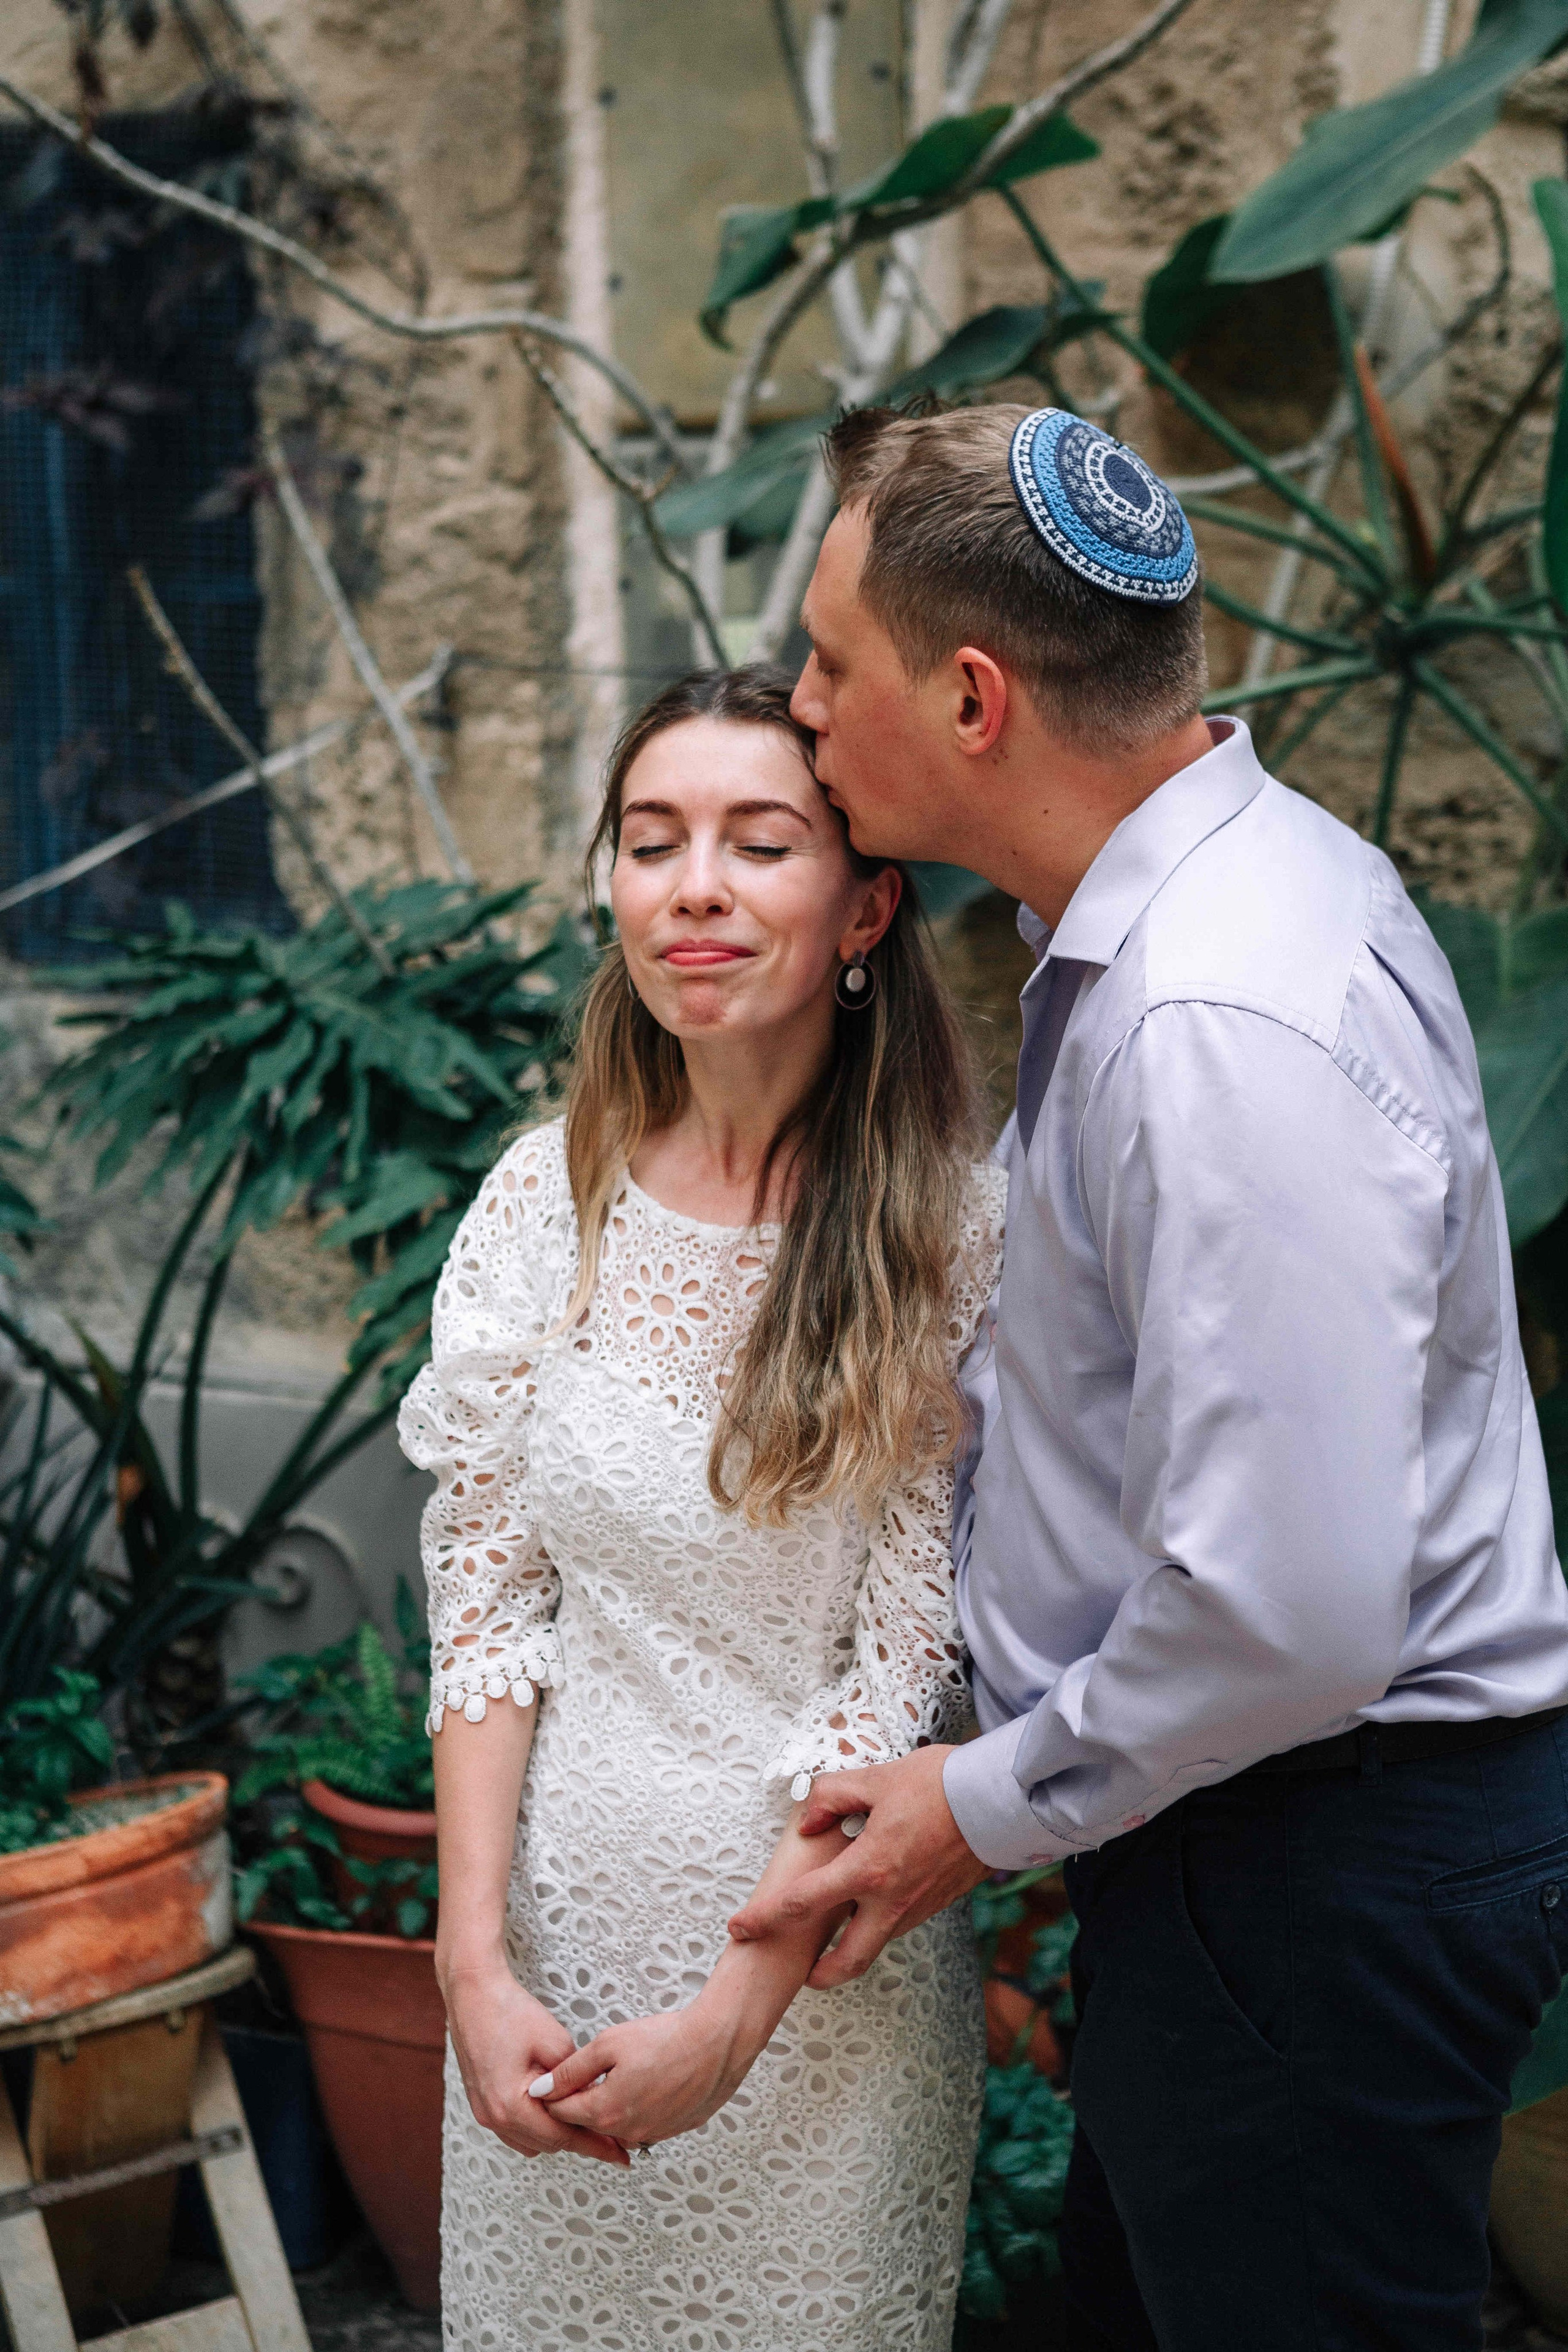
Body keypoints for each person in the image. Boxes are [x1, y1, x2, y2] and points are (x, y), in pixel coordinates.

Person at [725, 401, 1568, 2350]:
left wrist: (985, 1805)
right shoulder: (1198, 908)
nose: (799, 704)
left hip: (1317, 1851)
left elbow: (1292, 1611)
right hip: (1250, 1836)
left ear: (970, 698)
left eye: (831, 665)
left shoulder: (1214, 1017)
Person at [397, 663, 1005, 2352]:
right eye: (654, 843)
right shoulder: (545, 1200)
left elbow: (913, 1669)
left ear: (865, 904)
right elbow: (489, 1601)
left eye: (761, 843)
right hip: (549, 1964)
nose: (699, 890)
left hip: (819, 2004)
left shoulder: (952, 1236)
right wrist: (468, 1962)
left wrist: (735, 2015)